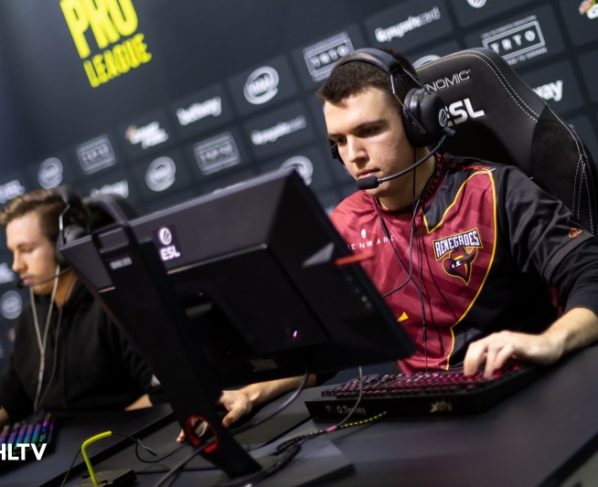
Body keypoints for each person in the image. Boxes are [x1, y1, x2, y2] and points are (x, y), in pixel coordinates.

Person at [180, 47, 598, 433]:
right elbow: (329, 345)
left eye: (370, 130)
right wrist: (251, 393)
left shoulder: (494, 191)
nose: (354, 155)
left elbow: (591, 275)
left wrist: (549, 341)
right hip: (425, 419)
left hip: (524, 398)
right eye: (339, 141)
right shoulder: (345, 225)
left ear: (418, 124)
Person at [0, 188, 161, 426]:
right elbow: (13, 397)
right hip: (54, 442)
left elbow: (165, 391)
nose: (16, 265)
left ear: (64, 245)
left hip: (123, 436)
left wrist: (117, 423)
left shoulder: (112, 306)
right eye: (13, 252)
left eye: (26, 250)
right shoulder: (30, 317)